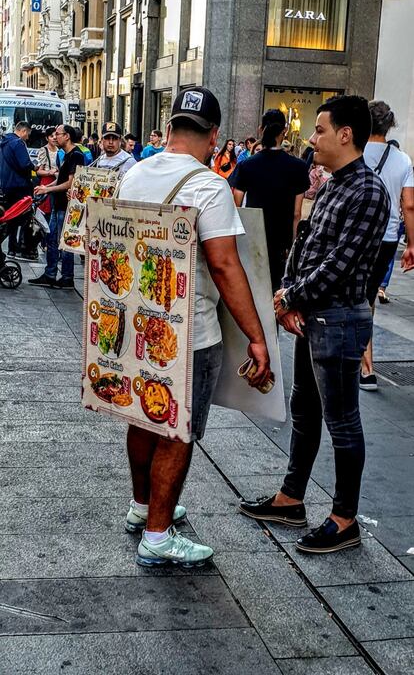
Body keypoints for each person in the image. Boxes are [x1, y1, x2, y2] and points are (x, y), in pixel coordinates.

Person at [119, 85, 271, 567]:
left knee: (144, 416)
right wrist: (256, 336)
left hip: (137, 325)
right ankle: (159, 536)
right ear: (215, 136)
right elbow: (225, 267)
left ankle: (143, 507)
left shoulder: (133, 174)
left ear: (167, 130)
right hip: (188, 333)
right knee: (177, 432)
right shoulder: (209, 186)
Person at [240, 96, 390, 555]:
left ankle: (344, 519)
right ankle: (292, 498)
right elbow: (303, 246)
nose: (312, 138)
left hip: (340, 319)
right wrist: (288, 294)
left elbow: (340, 264)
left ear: (346, 134)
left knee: (342, 420)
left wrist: (290, 296)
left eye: (320, 129)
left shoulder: (367, 190)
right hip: (313, 316)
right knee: (304, 408)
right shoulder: (331, 184)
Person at [360, 101, 414, 389]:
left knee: (354, 297)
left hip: (357, 235)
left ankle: (357, 362)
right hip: (388, 237)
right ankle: (365, 365)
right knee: (367, 300)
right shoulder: (403, 160)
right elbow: (409, 204)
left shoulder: (354, 151)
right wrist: (412, 244)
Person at [229, 109, 309, 291]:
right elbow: (297, 213)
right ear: (285, 130)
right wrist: (293, 244)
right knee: (276, 290)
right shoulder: (298, 167)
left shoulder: (246, 165)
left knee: (254, 290)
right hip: (282, 242)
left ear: (260, 130)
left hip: (253, 238)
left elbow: (237, 206)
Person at [28, 125, 85, 289]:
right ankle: (50, 274)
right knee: (52, 239)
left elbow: (71, 183)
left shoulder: (77, 155)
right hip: (57, 204)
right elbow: (60, 178)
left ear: (67, 136)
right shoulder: (66, 155)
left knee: (64, 242)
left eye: (57, 134)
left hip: (66, 206)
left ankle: (67, 277)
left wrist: (49, 189)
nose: (55, 137)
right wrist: (46, 189)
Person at [0, 121, 34, 259]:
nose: (27, 138)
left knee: (9, 217)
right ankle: (21, 248)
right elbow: (25, 164)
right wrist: (34, 167)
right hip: (19, 186)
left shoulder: (4, 142)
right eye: (28, 135)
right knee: (22, 217)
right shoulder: (18, 143)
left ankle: (11, 249)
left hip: (6, 185)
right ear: (24, 131)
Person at [36, 127, 58, 220]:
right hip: (47, 181)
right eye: (51, 136)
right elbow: (39, 171)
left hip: (58, 181)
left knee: (55, 209)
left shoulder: (59, 150)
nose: (54, 138)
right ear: (47, 138)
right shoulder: (44, 150)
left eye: (55, 135)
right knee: (46, 211)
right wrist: (50, 172)